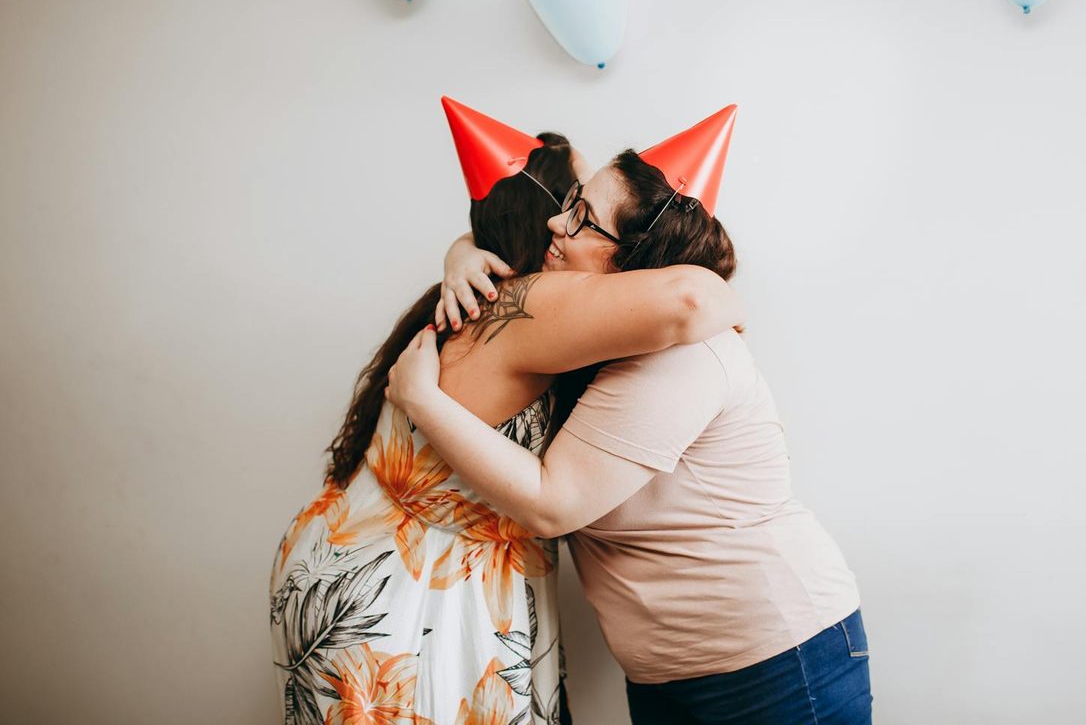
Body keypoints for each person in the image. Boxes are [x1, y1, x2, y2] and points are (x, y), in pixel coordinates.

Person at [385, 105, 873, 725]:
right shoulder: (597, 330)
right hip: (667, 670)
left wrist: (422, 400)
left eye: (583, 217)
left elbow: (552, 502)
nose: (558, 222)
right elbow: (513, 241)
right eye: (570, 202)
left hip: (773, 660)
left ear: (635, 261)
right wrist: (462, 253)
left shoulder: (681, 353)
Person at [268, 98, 744, 725]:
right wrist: (721, 291)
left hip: (344, 557)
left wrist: (460, 247)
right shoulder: (537, 304)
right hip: (412, 603)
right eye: (572, 203)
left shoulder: (477, 294)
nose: (564, 225)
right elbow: (689, 297)